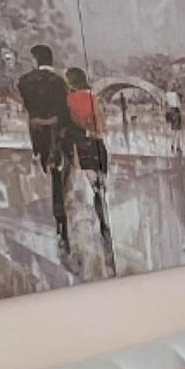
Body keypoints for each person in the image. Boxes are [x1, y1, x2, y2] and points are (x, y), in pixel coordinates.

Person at [15, 43, 74, 261]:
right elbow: (64, 114)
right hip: (58, 135)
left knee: (51, 178)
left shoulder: (24, 82)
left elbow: (29, 109)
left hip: (39, 135)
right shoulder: (60, 83)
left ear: (35, 60)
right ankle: (62, 227)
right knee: (60, 180)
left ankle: (58, 225)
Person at [64, 67, 116, 271]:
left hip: (83, 147)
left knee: (92, 186)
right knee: (101, 186)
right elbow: (102, 128)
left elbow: (70, 126)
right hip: (99, 147)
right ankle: (106, 224)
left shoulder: (69, 101)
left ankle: (100, 225)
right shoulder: (94, 99)